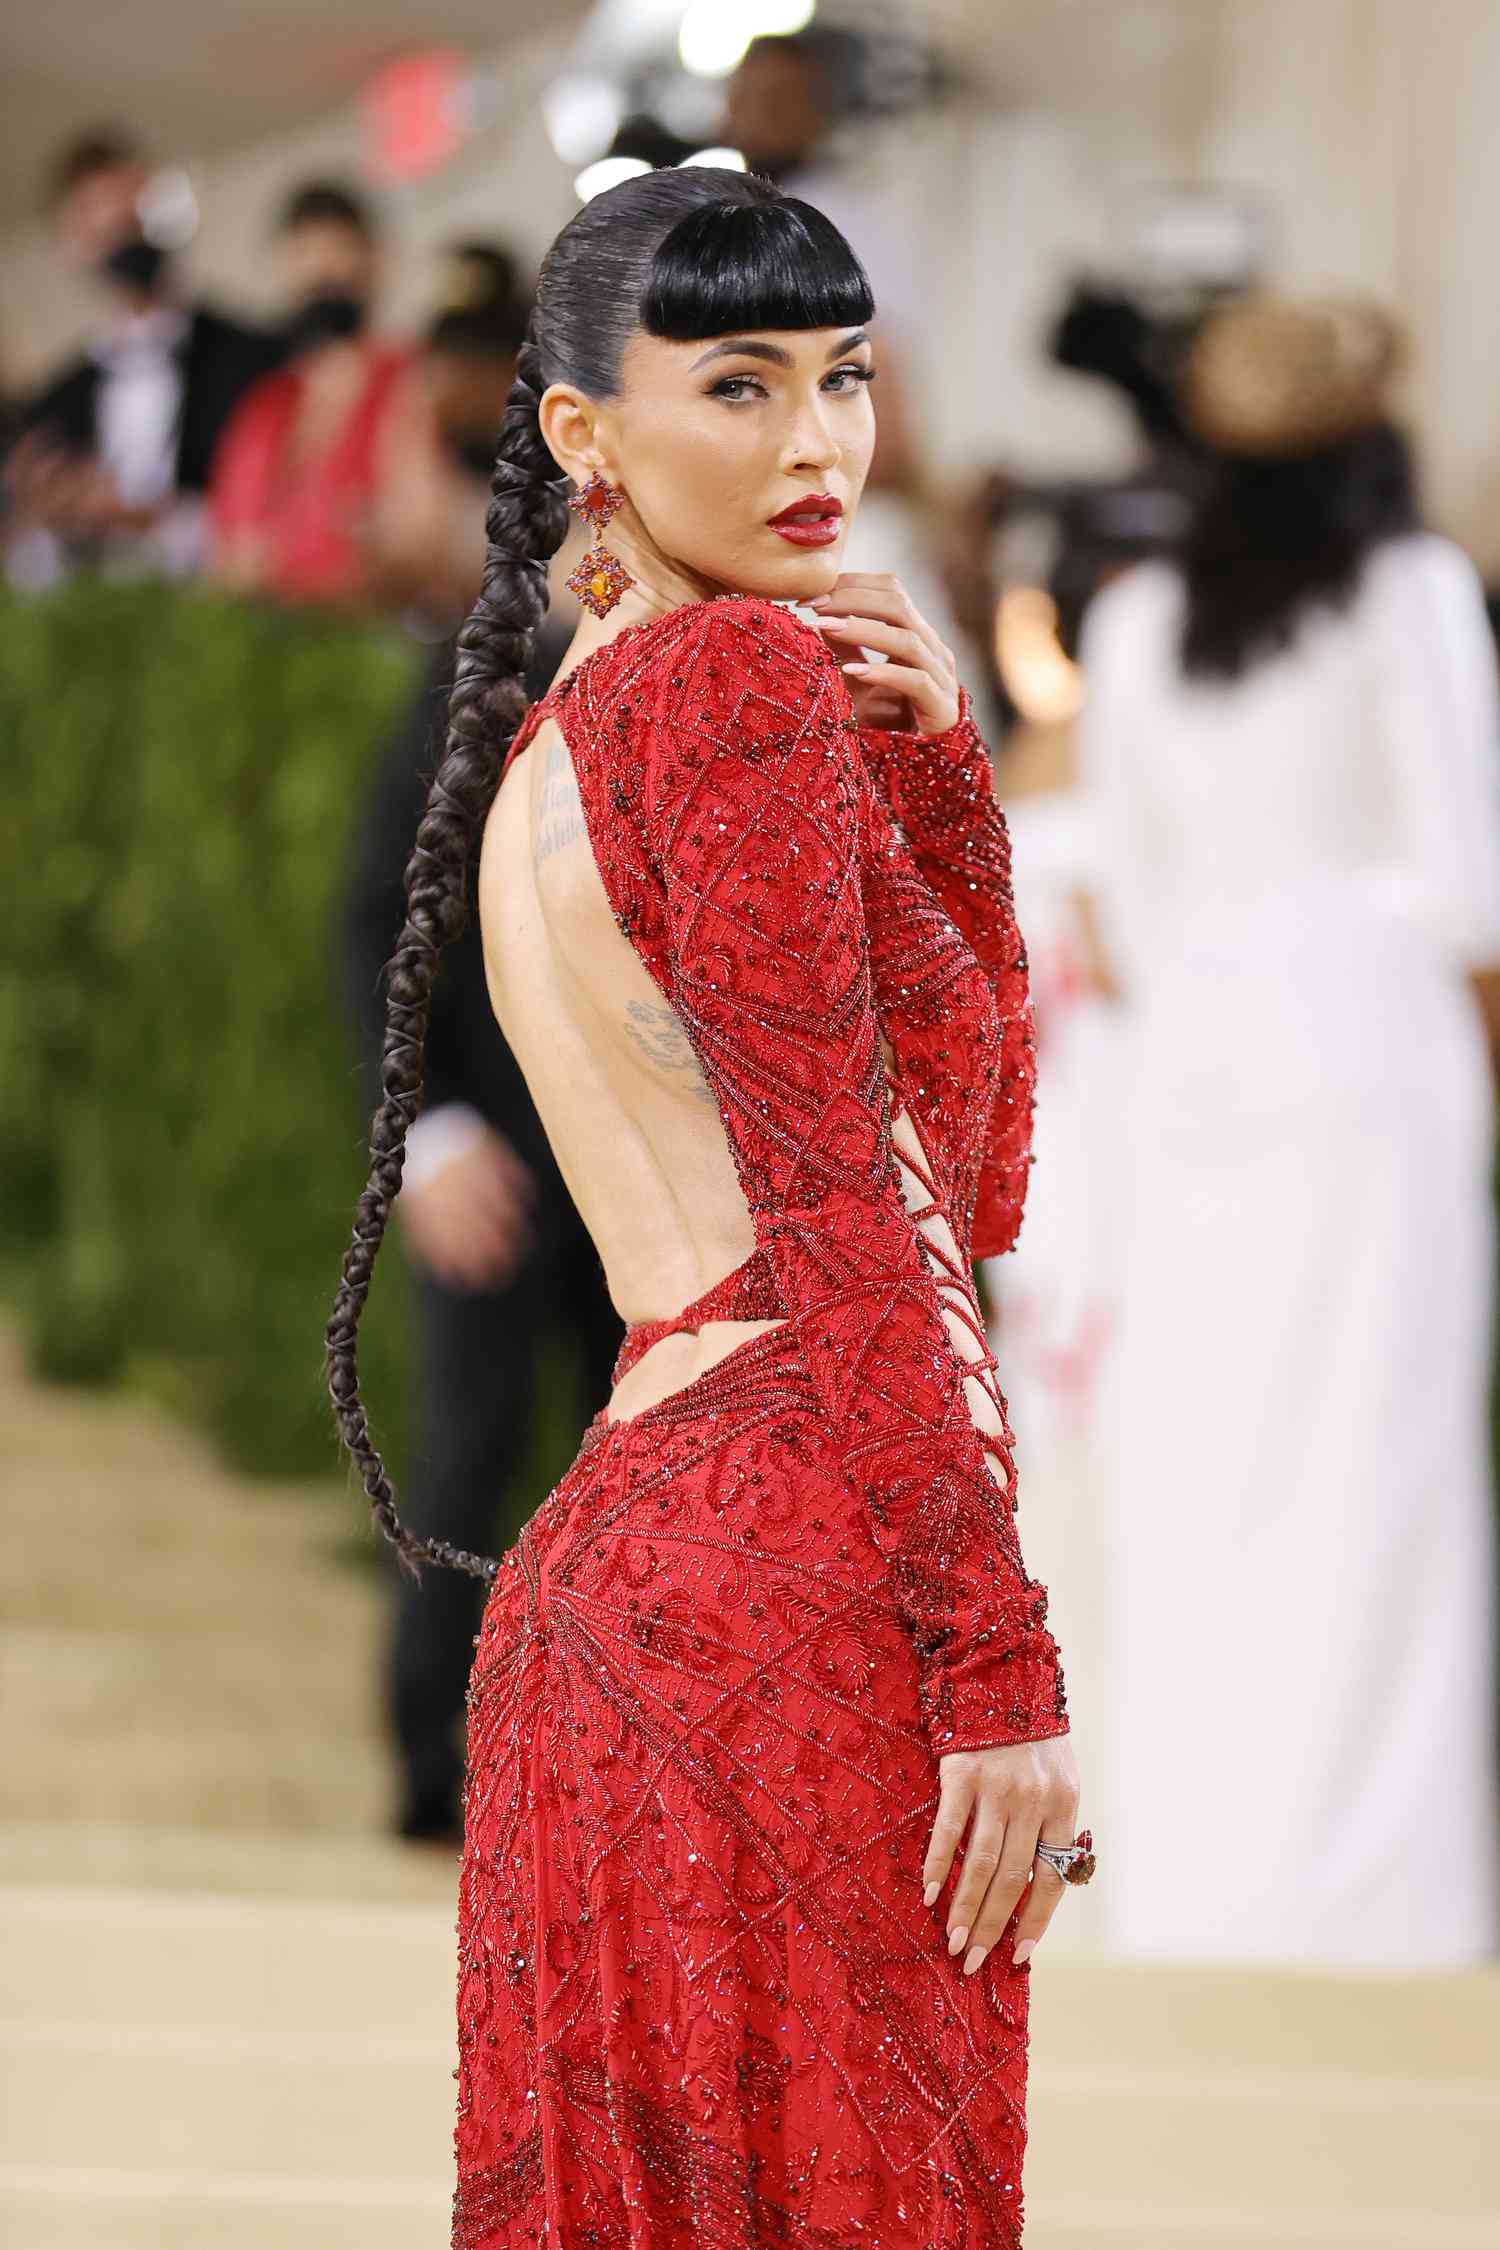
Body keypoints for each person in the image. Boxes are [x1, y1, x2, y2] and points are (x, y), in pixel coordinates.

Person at [325, 168, 1087, 2245]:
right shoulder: (729, 697)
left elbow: (975, 1174)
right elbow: (865, 1216)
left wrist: (942, 796)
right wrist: (996, 1658)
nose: (817, 444)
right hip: (791, 1582)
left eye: (842, 379)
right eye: (738, 388)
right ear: (583, 432)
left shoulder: (577, 726)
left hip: (629, 1589)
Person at [1077, 296, 1500, 1969]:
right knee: (1377, 1475)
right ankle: (1373, 1896)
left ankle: (1198, 1877)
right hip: (1373, 1061)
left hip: (1195, 1074)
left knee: (1203, 1477)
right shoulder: (1412, 601)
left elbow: (1121, 901)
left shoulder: (1132, 619)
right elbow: (1474, 888)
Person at [341, 243, 622, 1847]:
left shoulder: (777, 662)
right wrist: (430, 1131)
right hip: (502, 1142)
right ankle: (437, 1778)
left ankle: (612, 1782)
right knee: (467, 1447)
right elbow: (378, 919)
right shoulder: (490, 652)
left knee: (649, 1483)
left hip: (683, 1175)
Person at [5, 127, 282, 586]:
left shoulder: (251, 358)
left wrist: (159, 521)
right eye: (104, 227)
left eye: (132, 218)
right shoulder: (53, 407)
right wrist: (41, 521)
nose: (124, 239)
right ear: (72, 243)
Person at [208, 179, 437, 611]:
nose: (324, 271)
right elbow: (230, 555)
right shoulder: (263, 405)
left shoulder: (412, 378)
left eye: (338, 251)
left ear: (373, 260)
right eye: (305, 254)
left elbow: (420, 542)